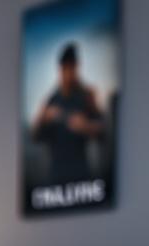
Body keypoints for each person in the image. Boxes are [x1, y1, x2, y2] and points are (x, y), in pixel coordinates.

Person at [30, 42, 105, 183]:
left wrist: (86, 126)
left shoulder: (87, 95)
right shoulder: (51, 100)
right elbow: (35, 137)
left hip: (81, 174)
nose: (69, 73)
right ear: (60, 69)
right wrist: (43, 119)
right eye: (66, 68)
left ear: (77, 67)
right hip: (56, 176)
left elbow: (104, 131)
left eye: (73, 67)